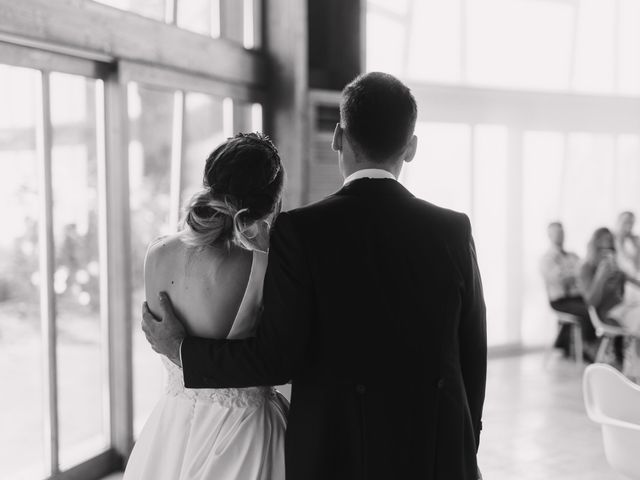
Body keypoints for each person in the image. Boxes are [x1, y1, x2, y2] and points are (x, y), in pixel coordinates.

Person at [143, 72, 487, 479]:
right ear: (410, 148)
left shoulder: (300, 231)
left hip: (336, 451)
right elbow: (472, 350)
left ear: (338, 137)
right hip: (435, 448)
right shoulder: (452, 229)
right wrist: (466, 441)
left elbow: (276, 356)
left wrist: (183, 350)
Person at [124, 133, 288, 480]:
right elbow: (277, 359)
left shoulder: (157, 253)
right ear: (271, 204)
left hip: (171, 430)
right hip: (243, 436)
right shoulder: (265, 268)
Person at [578, 227, 640, 383]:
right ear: (594, 248)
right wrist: (600, 277)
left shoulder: (616, 268)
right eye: (602, 249)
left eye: (610, 248)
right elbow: (591, 302)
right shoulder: (586, 268)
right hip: (606, 314)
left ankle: (633, 371)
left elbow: (634, 281)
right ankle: (634, 373)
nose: (607, 253)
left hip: (624, 309)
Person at [540, 222, 596, 360]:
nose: (560, 235)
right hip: (560, 301)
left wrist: (573, 273)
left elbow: (584, 271)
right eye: (556, 232)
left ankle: (597, 346)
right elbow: (559, 279)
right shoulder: (546, 259)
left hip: (577, 297)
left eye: (561, 232)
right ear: (549, 235)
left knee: (596, 305)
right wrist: (576, 273)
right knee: (587, 311)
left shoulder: (572, 255)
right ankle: (588, 347)